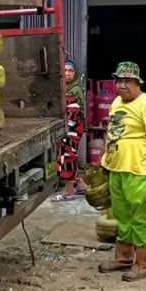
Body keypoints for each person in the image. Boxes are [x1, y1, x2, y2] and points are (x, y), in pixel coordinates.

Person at [98, 61, 146, 281]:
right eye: (118, 81)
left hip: (138, 170)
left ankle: (144, 263)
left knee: (140, 217)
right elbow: (110, 132)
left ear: (137, 83)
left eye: (127, 81)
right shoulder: (115, 103)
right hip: (116, 168)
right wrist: (104, 159)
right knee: (122, 216)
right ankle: (123, 259)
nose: (121, 85)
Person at [52, 59, 87, 202]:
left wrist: (65, 131)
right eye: (64, 70)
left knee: (67, 157)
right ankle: (82, 186)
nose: (67, 74)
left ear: (75, 73)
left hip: (72, 129)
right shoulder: (64, 89)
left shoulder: (75, 90)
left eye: (70, 71)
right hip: (68, 128)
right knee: (68, 155)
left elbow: (73, 114)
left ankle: (68, 192)